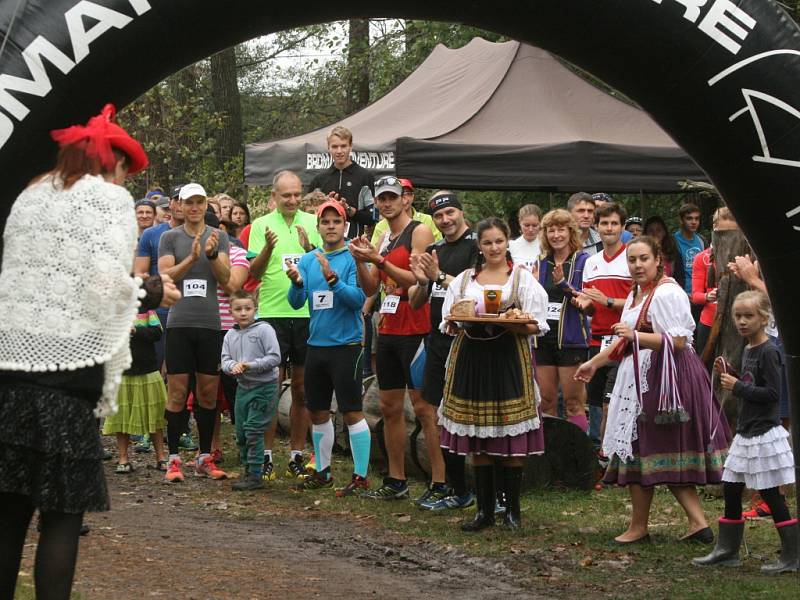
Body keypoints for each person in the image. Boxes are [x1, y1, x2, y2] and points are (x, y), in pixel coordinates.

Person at [0, 104, 176, 599]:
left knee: (8, 514)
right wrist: (153, 291)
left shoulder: (31, 196)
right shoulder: (107, 200)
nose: (125, 178)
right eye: (126, 168)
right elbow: (104, 288)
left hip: (10, 369)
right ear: (112, 161)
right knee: (61, 515)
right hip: (68, 374)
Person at [575, 236, 730, 544]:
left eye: (643, 259)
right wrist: (595, 362)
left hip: (664, 378)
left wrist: (635, 336)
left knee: (643, 447)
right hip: (638, 374)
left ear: (658, 259)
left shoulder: (667, 293)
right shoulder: (636, 293)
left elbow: (679, 341)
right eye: (632, 260)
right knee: (646, 448)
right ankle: (695, 524)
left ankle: (642, 527)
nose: (637, 265)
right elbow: (623, 339)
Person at [439, 217, 549, 531]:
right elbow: (449, 322)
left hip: (507, 359)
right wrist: (460, 318)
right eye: (487, 243)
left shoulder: (522, 279)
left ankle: (512, 510)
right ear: (480, 246)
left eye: (499, 241)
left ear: (508, 242)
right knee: (477, 438)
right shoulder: (463, 280)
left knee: (510, 433)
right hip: (471, 359)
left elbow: (535, 324)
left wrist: (506, 320)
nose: (494, 248)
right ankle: (484, 511)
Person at [692, 291, 797, 573]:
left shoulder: (770, 351)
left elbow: (772, 393)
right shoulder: (749, 348)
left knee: (770, 493)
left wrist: (736, 386)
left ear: (764, 318)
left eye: (748, 316)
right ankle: (727, 550)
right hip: (746, 432)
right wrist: (734, 373)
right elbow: (752, 383)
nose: (741, 321)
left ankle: (792, 554)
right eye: (738, 316)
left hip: (764, 433)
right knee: (731, 487)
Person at [349, 176, 435, 500]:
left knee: (424, 408)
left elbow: (418, 280)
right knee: (389, 408)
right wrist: (361, 261)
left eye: (391, 197)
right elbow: (372, 288)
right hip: (386, 327)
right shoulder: (382, 235)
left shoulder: (419, 231)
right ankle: (396, 480)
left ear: (405, 199)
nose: (386, 203)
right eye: (381, 199)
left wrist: (378, 260)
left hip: (415, 328)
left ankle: (439, 482)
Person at [286, 200, 372, 495]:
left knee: (351, 411)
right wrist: (296, 284)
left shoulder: (352, 257)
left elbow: (358, 300)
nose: (331, 226)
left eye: (337, 222)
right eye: (326, 222)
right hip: (316, 346)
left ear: (345, 226)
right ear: (318, 226)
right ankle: (323, 471)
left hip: (347, 346)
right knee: (318, 412)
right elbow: (297, 303)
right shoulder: (309, 259)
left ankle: (360, 477)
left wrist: (333, 279)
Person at [249, 170, 322, 480]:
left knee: (303, 391)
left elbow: (322, 265)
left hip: (307, 315)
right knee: (270, 387)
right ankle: (265, 457)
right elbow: (254, 269)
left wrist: (308, 249)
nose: (292, 200)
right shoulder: (260, 225)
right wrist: (267, 247)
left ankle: (296, 454)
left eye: (296, 194)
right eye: (286, 195)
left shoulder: (314, 221)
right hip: (272, 314)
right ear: (274, 197)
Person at [408, 191, 479, 511]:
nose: (445, 220)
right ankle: (457, 489)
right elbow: (415, 300)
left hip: (469, 343)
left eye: (450, 212)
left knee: (471, 417)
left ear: (461, 213)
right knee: (438, 416)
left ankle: (484, 489)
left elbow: (479, 293)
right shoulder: (433, 250)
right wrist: (424, 281)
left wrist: (439, 276)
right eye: (439, 216)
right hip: (436, 340)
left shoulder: (477, 247)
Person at [158, 183, 231, 483]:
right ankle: (173, 459)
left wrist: (212, 256)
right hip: (179, 324)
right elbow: (163, 275)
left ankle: (204, 456)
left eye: (200, 202)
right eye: (189, 202)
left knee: (207, 394)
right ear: (179, 206)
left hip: (210, 325)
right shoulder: (169, 237)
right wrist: (190, 258)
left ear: (205, 206)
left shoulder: (220, 236)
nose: (194, 208)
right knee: (176, 392)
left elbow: (228, 281)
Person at [575, 202, 631, 449]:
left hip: (625, 340)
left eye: (614, 223)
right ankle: (598, 449)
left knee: (616, 400)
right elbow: (590, 305)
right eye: (604, 224)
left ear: (622, 227)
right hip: (597, 338)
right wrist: (582, 304)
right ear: (597, 227)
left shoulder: (633, 257)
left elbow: (639, 301)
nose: (609, 228)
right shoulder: (591, 262)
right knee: (595, 400)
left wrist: (608, 301)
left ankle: (614, 451)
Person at [535, 209, 591, 431]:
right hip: (544, 339)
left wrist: (563, 286)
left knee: (573, 403)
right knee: (546, 402)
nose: (556, 235)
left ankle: (578, 456)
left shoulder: (583, 261)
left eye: (561, 230)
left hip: (571, 339)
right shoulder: (541, 263)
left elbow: (586, 298)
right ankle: (550, 456)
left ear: (570, 232)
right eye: (551, 230)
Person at [221, 290, 282, 491]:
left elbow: (275, 358)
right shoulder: (230, 334)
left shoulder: (264, 330)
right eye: (238, 309)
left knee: (253, 430)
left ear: (255, 309)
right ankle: (248, 470)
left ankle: (256, 474)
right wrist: (232, 367)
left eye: (248, 308)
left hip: (264, 387)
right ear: (231, 311)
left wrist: (250, 365)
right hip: (242, 388)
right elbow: (225, 360)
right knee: (241, 432)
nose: (243, 313)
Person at [102, 309, 168, 472]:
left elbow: (157, 332)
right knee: (122, 416)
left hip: (147, 369)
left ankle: (161, 457)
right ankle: (123, 459)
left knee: (155, 416)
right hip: (122, 371)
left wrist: (135, 330)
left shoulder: (147, 311)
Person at [309, 125, 375, 238]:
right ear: (328, 147)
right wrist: (325, 205)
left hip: (354, 245)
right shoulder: (319, 180)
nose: (339, 151)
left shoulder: (365, 176)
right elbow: (308, 217)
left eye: (343, 146)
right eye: (334, 146)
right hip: (324, 245)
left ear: (350, 146)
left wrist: (349, 210)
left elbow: (373, 217)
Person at [690, 207, 739, 356]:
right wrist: (708, 296)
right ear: (714, 228)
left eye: (732, 234)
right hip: (709, 323)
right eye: (721, 233)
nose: (726, 238)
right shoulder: (702, 258)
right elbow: (695, 296)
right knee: (705, 369)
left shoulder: (744, 254)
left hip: (738, 324)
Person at [370, 178, 441, 246]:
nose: (387, 204)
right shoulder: (383, 231)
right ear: (376, 201)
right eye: (382, 199)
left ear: (412, 196)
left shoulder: (426, 221)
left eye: (408, 193)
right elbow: (374, 252)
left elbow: (438, 246)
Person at [674, 202, 706, 298]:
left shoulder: (702, 240)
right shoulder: (672, 241)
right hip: (680, 293)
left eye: (697, 218)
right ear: (681, 220)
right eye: (689, 218)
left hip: (700, 294)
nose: (694, 222)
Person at [644, 215, 685, 284]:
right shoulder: (640, 253)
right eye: (651, 230)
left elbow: (680, 280)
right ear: (646, 233)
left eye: (658, 230)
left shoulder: (674, 254)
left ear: (664, 232)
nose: (655, 234)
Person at [509, 203, 542, 269]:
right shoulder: (511, 245)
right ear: (520, 222)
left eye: (535, 225)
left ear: (540, 223)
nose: (530, 229)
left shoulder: (547, 245)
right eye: (526, 225)